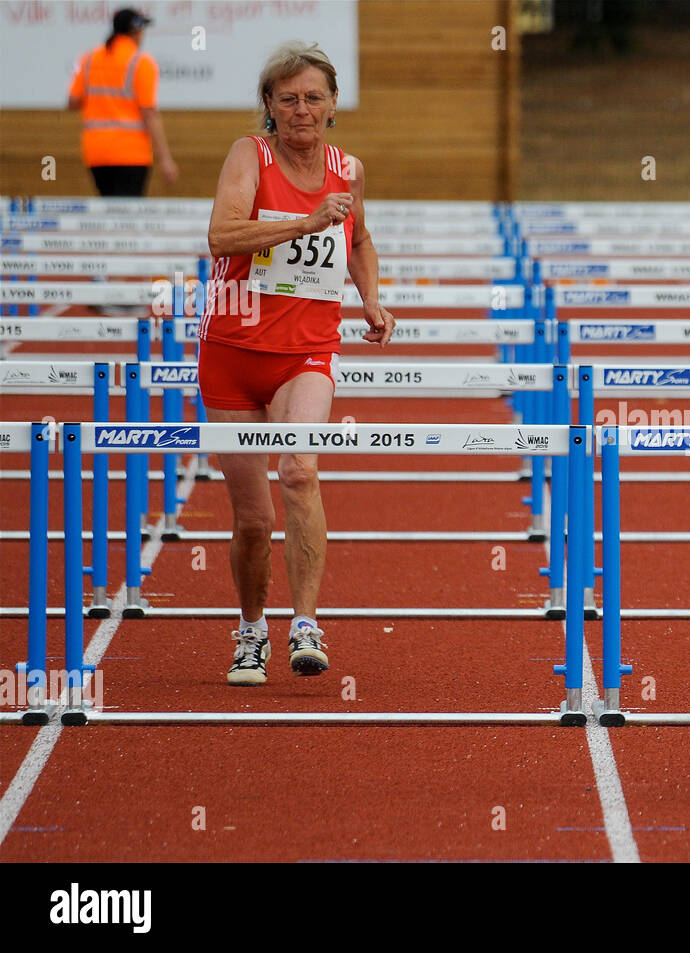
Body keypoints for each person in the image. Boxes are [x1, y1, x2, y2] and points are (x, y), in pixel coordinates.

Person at [199, 42, 395, 686]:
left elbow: (358, 239)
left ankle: (305, 623)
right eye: (289, 98)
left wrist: (371, 299)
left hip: (306, 353)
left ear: (334, 103)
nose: (302, 109)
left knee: (300, 469)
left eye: (314, 97)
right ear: (269, 106)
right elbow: (222, 236)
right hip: (231, 354)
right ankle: (251, 628)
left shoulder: (348, 169)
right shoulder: (248, 155)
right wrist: (303, 223)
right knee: (253, 519)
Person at [67, 7, 179, 196]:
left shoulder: (88, 59)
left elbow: (73, 102)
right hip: (131, 153)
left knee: (108, 211)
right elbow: (149, 114)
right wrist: (165, 159)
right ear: (135, 31)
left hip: (96, 153)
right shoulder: (140, 63)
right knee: (128, 218)